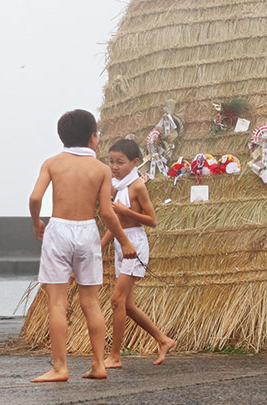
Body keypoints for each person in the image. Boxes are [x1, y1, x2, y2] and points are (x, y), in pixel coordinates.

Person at [28, 109, 138, 382]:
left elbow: (34, 198)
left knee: (57, 302)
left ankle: (60, 367)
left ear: (61, 136)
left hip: (59, 228)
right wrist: (124, 241)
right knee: (90, 302)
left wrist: (36, 223)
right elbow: (107, 213)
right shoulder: (101, 169)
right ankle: (99, 364)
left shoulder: (52, 163)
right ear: (92, 138)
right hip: (87, 230)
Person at [101, 138, 175, 368]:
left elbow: (152, 221)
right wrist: (99, 247)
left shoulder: (137, 186)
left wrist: (125, 210)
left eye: (120, 162)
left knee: (117, 300)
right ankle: (163, 340)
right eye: (111, 161)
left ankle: (114, 356)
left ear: (134, 162)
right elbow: (114, 223)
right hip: (120, 243)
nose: (114, 166)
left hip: (135, 244)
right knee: (128, 305)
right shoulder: (116, 186)